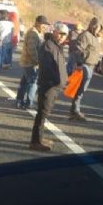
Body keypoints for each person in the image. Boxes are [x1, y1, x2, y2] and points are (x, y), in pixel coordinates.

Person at [29, 22, 70, 152]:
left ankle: (39, 138)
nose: (62, 36)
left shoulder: (57, 45)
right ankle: (35, 141)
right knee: (42, 113)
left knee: (45, 113)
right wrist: (56, 82)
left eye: (65, 34)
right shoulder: (47, 45)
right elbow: (47, 69)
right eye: (60, 33)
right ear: (54, 32)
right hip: (49, 85)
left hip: (55, 86)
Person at [69, 17, 103, 121]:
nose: (98, 30)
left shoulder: (94, 37)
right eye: (97, 28)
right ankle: (75, 111)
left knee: (82, 89)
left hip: (91, 66)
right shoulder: (85, 35)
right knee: (80, 89)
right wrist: (80, 63)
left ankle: (74, 110)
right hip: (84, 65)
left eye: (100, 28)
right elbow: (78, 49)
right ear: (93, 26)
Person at [16, 15, 49, 109]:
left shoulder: (36, 32)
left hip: (28, 62)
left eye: (46, 25)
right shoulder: (33, 34)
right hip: (30, 62)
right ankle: (29, 103)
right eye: (43, 24)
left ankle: (19, 100)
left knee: (24, 83)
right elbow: (32, 50)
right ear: (37, 23)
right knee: (33, 82)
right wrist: (38, 62)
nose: (45, 26)